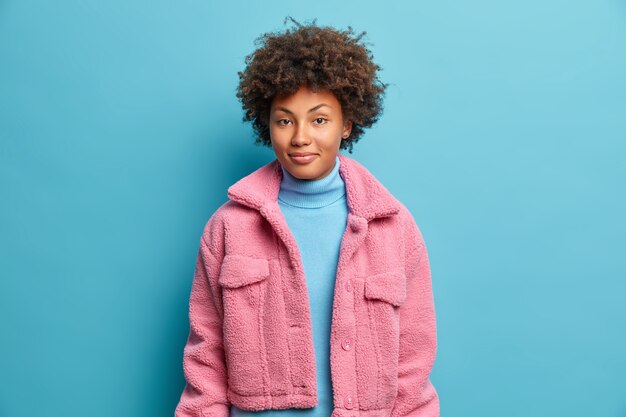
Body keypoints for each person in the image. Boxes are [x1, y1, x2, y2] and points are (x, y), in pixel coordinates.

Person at [174, 16, 439, 417]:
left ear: (346, 124)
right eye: (284, 120)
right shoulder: (228, 225)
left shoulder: (393, 226)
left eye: (319, 120)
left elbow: (414, 360)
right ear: (267, 124)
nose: (300, 137)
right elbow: (205, 353)